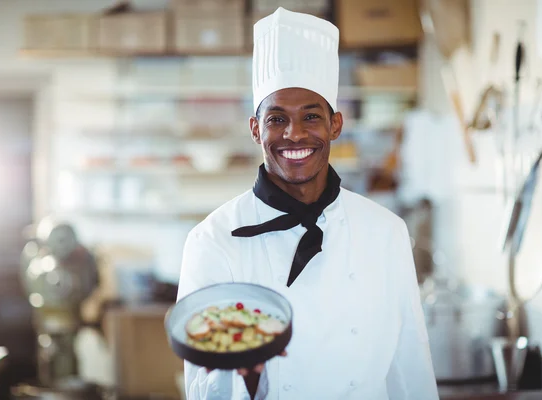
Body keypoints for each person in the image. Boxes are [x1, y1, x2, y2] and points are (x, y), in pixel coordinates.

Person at [176, 7, 439, 400]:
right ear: (255, 129)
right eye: (277, 119)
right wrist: (245, 374)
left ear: (335, 124)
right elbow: (201, 386)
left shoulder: (385, 232)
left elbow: (410, 366)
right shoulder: (213, 240)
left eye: (311, 116)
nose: (294, 134)